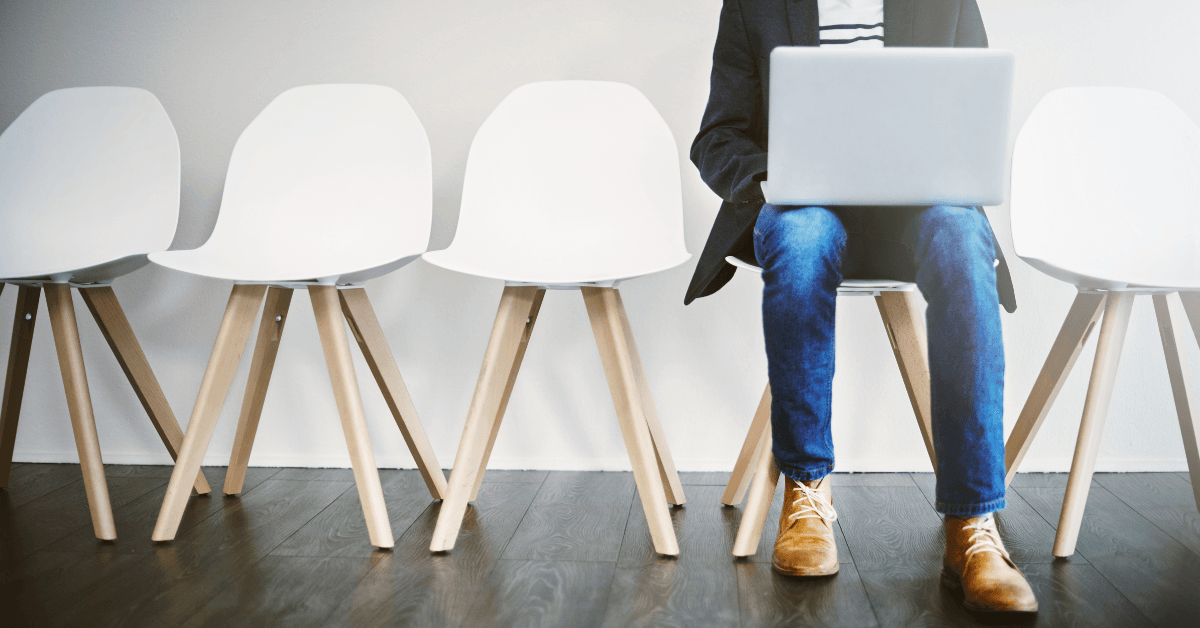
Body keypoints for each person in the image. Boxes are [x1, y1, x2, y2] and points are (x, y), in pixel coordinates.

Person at [687, 0, 1037, 614]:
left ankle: (973, 526)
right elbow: (717, 137)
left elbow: (974, 118)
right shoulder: (754, 4)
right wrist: (769, 179)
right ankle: (807, 496)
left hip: (922, 205)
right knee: (800, 237)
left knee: (960, 237)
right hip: (805, 206)